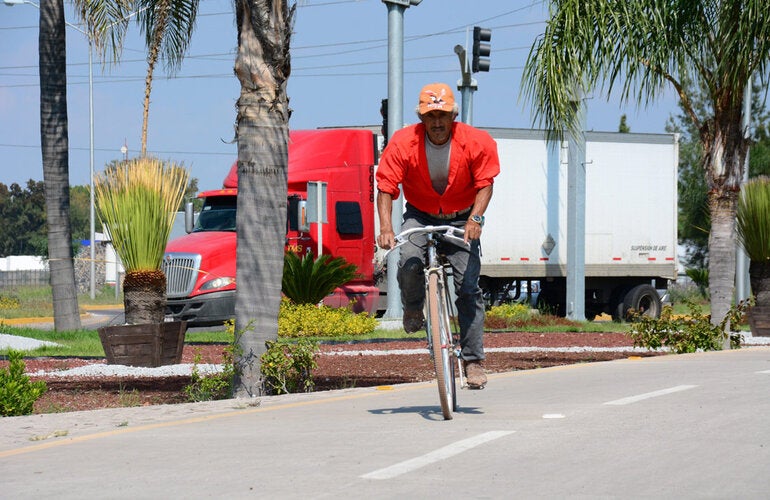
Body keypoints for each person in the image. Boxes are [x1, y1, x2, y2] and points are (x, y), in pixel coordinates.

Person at [376, 82, 500, 389]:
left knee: (468, 288)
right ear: (421, 118)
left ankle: (473, 361)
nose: (437, 123)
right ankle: (414, 306)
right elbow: (386, 187)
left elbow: (486, 182)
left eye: (443, 115)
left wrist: (476, 218)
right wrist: (386, 228)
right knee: (408, 262)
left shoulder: (476, 141)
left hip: (462, 218)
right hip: (420, 214)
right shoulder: (403, 142)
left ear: (453, 115)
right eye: (431, 116)